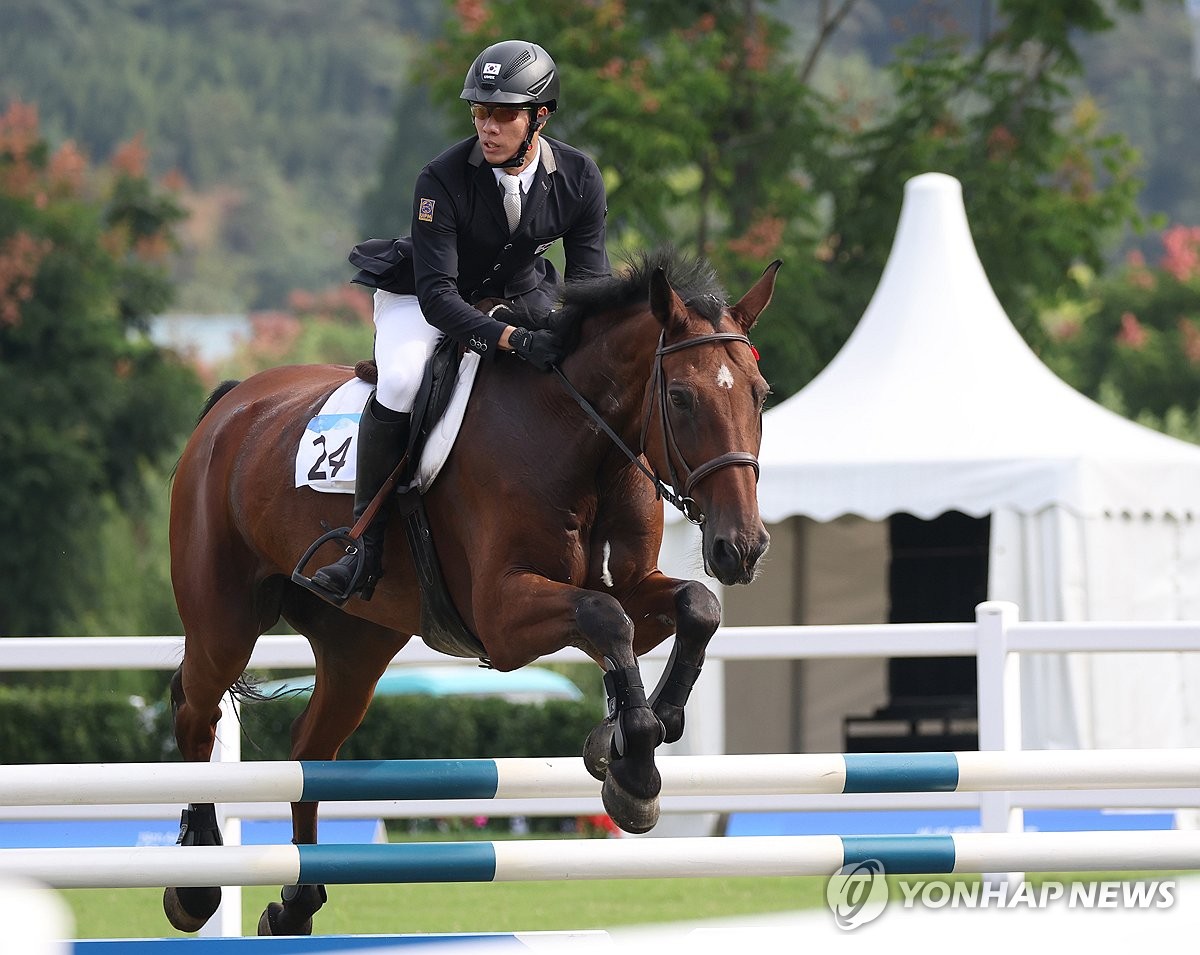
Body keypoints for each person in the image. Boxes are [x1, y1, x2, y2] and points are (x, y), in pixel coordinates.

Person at [310, 39, 612, 601]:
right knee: (401, 381)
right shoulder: (442, 178)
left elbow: (591, 285)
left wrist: (573, 337)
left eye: (502, 114)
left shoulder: (579, 177)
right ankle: (364, 547)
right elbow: (440, 299)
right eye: (479, 112)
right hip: (425, 299)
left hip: (520, 294)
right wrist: (512, 340)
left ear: (539, 117)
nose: (487, 127)